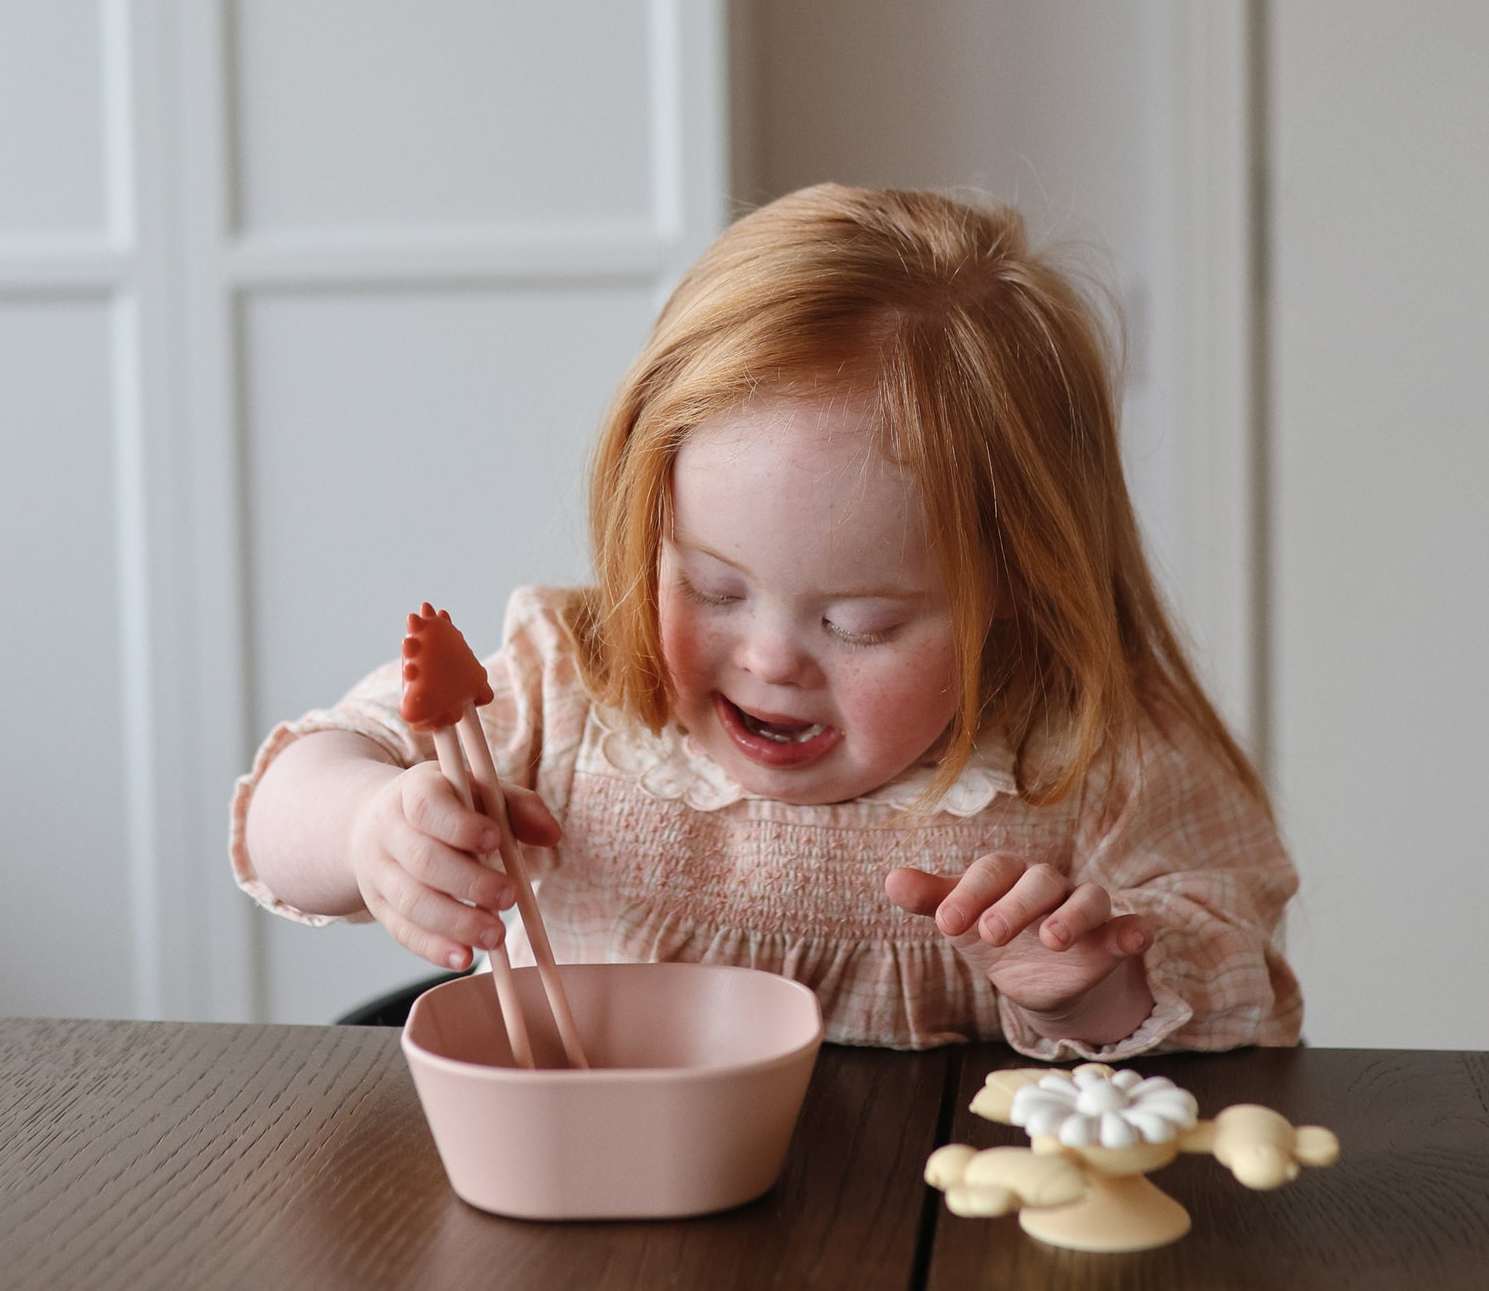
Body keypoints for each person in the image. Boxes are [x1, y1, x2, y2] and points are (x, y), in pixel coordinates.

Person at [232, 185, 1300, 1059]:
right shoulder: (570, 686)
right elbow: (286, 805)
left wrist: (1093, 994)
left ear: (1014, 577)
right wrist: (369, 827)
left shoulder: (1088, 754)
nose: (768, 657)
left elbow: (1240, 999)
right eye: (709, 585)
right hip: (609, 1228)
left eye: (862, 621)